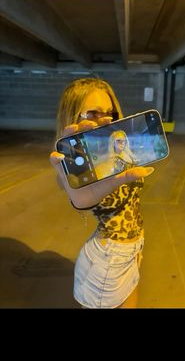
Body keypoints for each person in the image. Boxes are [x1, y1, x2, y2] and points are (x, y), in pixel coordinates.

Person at [50, 78, 155, 308]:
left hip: (131, 251)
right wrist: (75, 190)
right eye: (93, 114)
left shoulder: (118, 148)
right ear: (73, 117)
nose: (105, 120)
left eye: (110, 113)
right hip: (108, 262)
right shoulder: (81, 164)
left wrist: (138, 249)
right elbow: (80, 196)